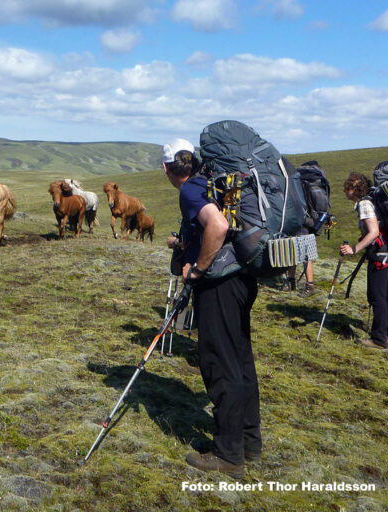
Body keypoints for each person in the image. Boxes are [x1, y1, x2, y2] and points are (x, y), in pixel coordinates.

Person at [162, 138, 261, 480]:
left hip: (219, 284)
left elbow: (217, 227)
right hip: (243, 279)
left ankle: (228, 455)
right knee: (241, 360)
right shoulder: (213, 182)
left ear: (166, 168)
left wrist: (198, 271)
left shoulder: (191, 190)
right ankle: (249, 442)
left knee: (220, 364)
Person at [340, 172, 388, 351]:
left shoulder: (364, 204)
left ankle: (379, 340)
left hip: (379, 256)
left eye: (348, 188)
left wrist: (355, 248)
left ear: (354, 189)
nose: (345, 191)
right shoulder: (373, 200)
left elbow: (373, 232)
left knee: (376, 296)